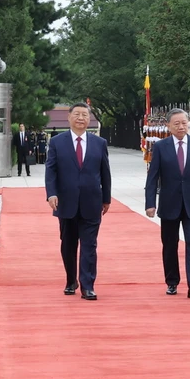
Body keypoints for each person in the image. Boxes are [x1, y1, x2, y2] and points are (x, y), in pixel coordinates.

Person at [45, 102, 112, 301]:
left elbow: (105, 173)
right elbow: (51, 170)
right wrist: (51, 193)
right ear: (69, 117)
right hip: (66, 202)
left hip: (92, 201)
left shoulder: (99, 143)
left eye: (85, 114)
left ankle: (88, 285)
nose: (81, 118)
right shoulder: (57, 142)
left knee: (89, 245)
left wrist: (106, 198)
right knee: (68, 244)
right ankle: (70, 279)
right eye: (77, 114)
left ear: (89, 118)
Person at [145, 107, 190, 297]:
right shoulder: (160, 146)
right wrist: (150, 203)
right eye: (177, 123)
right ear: (169, 126)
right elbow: (153, 177)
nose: (181, 126)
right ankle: (172, 281)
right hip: (169, 203)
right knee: (170, 244)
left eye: (184, 123)